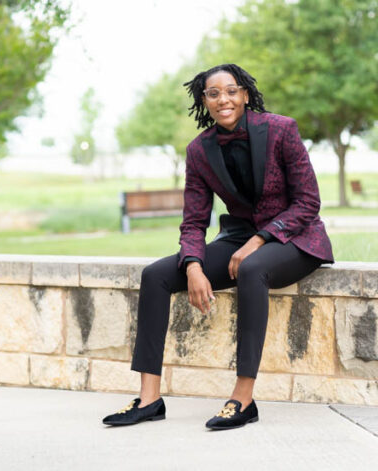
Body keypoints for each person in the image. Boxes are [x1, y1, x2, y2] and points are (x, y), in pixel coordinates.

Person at [102, 64, 334, 428]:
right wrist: (193, 264)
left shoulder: (280, 129)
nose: (223, 99)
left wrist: (260, 239)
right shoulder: (199, 151)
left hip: (296, 238)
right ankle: (149, 400)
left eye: (230, 91)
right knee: (157, 275)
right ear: (204, 101)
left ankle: (242, 399)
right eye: (213, 93)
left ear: (244, 94)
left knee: (253, 267)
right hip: (239, 238)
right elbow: (194, 220)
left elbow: (308, 202)